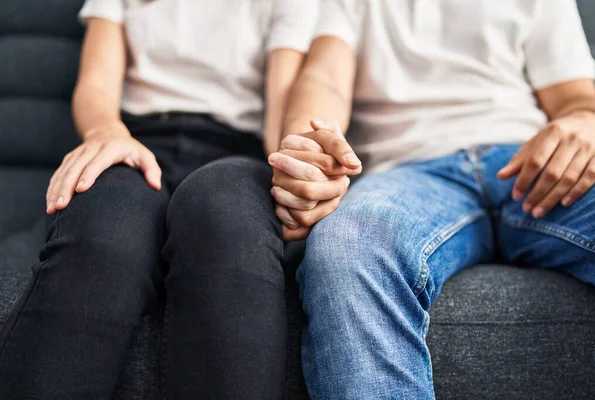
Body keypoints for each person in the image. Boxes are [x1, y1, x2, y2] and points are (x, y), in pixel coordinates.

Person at [0, 1, 349, 399]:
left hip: (235, 155)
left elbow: (278, 122)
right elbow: (96, 85)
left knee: (223, 212)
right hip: (134, 144)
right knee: (107, 228)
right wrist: (106, 133)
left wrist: (296, 165)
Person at [267, 0, 595, 398]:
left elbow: (575, 98)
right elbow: (324, 82)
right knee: (348, 241)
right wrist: (309, 148)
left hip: (532, 159)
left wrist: (586, 120)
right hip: (409, 173)